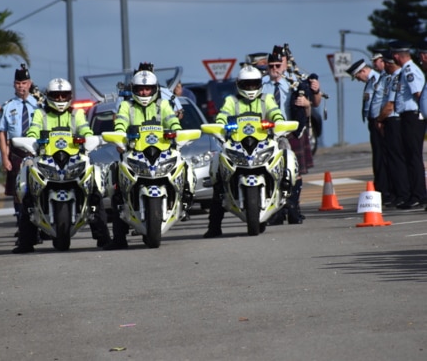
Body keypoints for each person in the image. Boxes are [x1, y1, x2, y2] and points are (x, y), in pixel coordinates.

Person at [13, 78, 112, 254]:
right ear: (49, 96)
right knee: (26, 190)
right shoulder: (40, 114)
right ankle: (25, 241)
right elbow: (33, 130)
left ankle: (103, 237)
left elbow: (85, 130)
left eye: (63, 95)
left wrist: (90, 140)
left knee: (94, 192)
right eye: (55, 95)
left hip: (74, 160)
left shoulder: (76, 114)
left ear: (69, 96)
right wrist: (30, 140)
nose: (59, 99)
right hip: (46, 160)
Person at [104, 68, 184, 250]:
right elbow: (120, 123)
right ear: (134, 89)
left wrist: (176, 133)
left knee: (184, 166)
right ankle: (119, 237)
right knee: (117, 185)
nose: (144, 92)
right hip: (134, 153)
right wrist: (119, 137)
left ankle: (185, 198)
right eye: (140, 89)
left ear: (154, 89)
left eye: (148, 89)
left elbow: (173, 121)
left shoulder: (163, 105)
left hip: (162, 153)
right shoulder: (126, 106)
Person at [203, 65, 285, 238]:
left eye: (254, 84)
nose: (250, 88)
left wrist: (278, 122)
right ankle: (214, 226)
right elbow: (222, 115)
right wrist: (219, 125)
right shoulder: (231, 101)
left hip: (263, 143)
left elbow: (276, 113)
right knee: (218, 172)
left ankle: (285, 188)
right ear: (239, 84)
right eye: (246, 85)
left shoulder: (266, 99)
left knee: (286, 157)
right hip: (237, 145)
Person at [262, 45, 321, 225]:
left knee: (295, 172)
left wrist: (311, 96)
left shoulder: (296, 81)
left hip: (292, 131)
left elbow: (316, 104)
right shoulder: (261, 84)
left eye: (278, 65)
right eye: (271, 66)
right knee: (271, 172)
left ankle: (294, 209)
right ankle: (277, 212)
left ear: (285, 65)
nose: (274, 69)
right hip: (269, 133)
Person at [0, 64, 39, 232]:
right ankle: (22, 224)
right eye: (18, 83)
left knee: (37, 186)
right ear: (14, 85)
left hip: (35, 150)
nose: (21, 87)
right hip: (16, 153)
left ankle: (39, 224)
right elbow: (2, 133)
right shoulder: (8, 106)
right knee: (18, 191)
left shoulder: (38, 104)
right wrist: (4, 157)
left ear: (29, 84)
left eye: (24, 83)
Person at [346, 58, 391, 204]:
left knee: (381, 158)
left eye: (358, 76)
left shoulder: (378, 80)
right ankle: (380, 188)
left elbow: (382, 101)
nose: (358, 80)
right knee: (377, 158)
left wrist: (379, 120)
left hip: (380, 121)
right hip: (373, 122)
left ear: (363, 71)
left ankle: (385, 190)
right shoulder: (371, 82)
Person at [389, 40, 426, 209]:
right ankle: (414, 193)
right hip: (406, 117)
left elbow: (419, 94)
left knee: (413, 157)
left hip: (412, 117)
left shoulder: (410, 70)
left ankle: (418, 194)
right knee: (409, 156)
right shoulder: (404, 71)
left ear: (397, 55)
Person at [375, 50, 410, 208]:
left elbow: (390, 105)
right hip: (389, 121)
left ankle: (403, 193)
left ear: (390, 64)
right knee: (391, 160)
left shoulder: (398, 77)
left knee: (397, 160)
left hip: (395, 120)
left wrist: (379, 119)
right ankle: (397, 193)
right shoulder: (390, 78)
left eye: (386, 64)